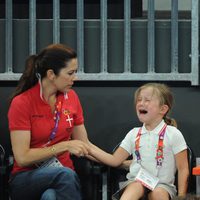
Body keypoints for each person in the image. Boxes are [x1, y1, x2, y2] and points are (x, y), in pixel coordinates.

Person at [7, 44, 93, 200]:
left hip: (65, 178)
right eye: (70, 73)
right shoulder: (22, 102)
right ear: (51, 74)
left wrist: (117, 162)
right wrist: (65, 145)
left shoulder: (71, 97)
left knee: (50, 196)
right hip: (26, 178)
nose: (76, 77)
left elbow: (84, 144)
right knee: (64, 175)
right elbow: (22, 157)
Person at [89, 83, 189, 200]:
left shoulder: (173, 134)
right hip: (136, 180)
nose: (141, 103)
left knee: (158, 193)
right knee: (136, 186)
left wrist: (182, 196)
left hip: (163, 185)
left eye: (147, 100)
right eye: (139, 100)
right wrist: (88, 148)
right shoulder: (133, 133)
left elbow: (183, 168)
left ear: (163, 109)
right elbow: (114, 160)